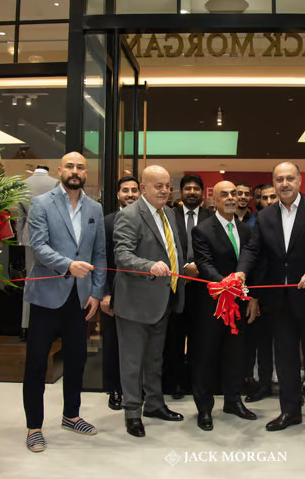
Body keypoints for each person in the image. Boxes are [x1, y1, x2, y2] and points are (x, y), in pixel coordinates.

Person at [236, 161, 305, 443]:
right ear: (273, 183)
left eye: (289, 178)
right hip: (279, 301)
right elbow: (253, 249)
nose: (284, 184)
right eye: (279, 179)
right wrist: (241, 272)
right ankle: (290, 411)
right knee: (285, 359)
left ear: (299, 180)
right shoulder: (265, 216)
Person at [22, 152, 107, 453]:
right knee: (36, 364)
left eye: (80, 167)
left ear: (86, 173)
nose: (75, 171)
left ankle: (71, 416)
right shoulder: (41, 203)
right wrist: (68, 265)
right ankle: (34, 427)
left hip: (80, 298)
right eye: (70, 166)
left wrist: (96, 292)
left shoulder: (95, 208)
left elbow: (99, 254)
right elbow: (38, 246)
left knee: (76, 360)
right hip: (46, 296)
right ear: (60, 170)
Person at [113, 165, 185, 438]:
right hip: (135, 302)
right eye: (158, 186)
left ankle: (154, 405)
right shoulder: (129, 215)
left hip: (163, 300)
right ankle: (132, 413)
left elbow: (172, 249)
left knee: (155, 359)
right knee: (132, 363)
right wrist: (149, 265)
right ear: (143, 188)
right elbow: (122, 255)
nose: (165, 191)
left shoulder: (169, 213)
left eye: (168, 186)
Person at [191, 180, 259, 431]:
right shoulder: (202, 230)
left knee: (236, 355)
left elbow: (251, 264)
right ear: (214, 200)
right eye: (225, 194)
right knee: (206, 357)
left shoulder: (246, 230)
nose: (231, 198)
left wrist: (251, 297)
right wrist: (226, 284)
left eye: (234, 194)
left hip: (239, 304)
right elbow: (204, 263)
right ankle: (204, 408)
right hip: (212, 305)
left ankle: (233, 400)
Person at [162, 174, 211, 399]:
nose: (192, 192)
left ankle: (196, 382)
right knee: (175, 337)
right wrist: (183, 270)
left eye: (196, 189)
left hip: (203, 287)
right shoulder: (169, 216)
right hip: (177, 286)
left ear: (202, 193)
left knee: (199, 338)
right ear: (180, 193)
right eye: (188, 188)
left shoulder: (211, 217)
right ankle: (176, 383)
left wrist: (200, 269)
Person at [100, 176, 140, 410]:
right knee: (113, 342)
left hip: (141, 293)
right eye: (125, 190)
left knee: (139, 344)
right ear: (118, 195)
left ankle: (137, 389)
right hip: (114, 293)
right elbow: (100, 259)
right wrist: (105, 293)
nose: (130, 194)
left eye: (134, 190)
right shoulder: (107, 222)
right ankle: (114, 388)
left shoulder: (147, 220)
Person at [244, 183, 279, 403]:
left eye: (272, 197)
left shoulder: (289, 220)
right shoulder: (254, 223)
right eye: (264, 198)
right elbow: (254, 261)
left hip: (288, 292)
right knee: (263, 344)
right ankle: (264, 386)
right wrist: (253, 296)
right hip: (262, 292)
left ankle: (291, 388)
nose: (268, 201)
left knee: (287, 345)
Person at [16, 165, 58, 333]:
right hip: (52, 236)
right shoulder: (55, 183)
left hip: (29, 237)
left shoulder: (23, 184)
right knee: (51, 278)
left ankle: (26, 324)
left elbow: (20, 217)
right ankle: (50, 323)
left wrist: (21, 239)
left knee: (30, 279)